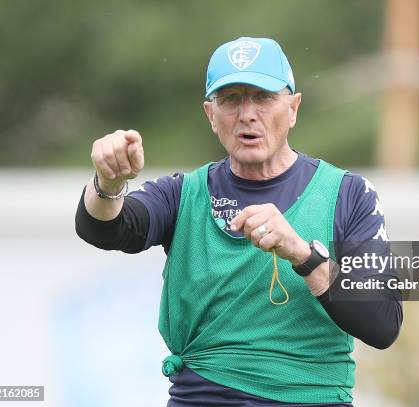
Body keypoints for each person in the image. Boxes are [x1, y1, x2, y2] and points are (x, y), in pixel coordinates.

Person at [75, 37, 402, 407]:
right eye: (231, 99)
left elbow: (383, 323)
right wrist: (109, 182)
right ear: (211, 116)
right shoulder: (183, 195)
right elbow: (103, 228)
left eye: (263, 97)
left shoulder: (349, 196)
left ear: (293, 109)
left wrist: (302, 255)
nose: (248, 113)